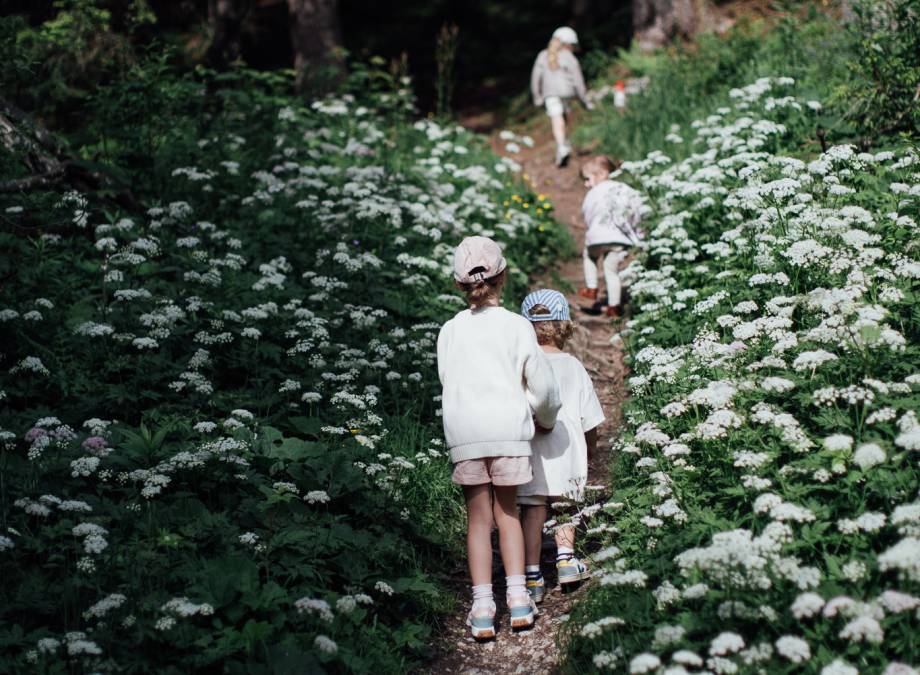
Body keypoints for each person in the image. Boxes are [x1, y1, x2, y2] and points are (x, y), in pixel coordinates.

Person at [437, 236, 562, 639]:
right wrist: (543, 417)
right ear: (503, 277)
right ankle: (519, 600)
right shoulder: (517, 326)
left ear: (459, 285)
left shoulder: (449, 331)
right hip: (508, 431)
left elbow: (447, 379)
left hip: (466, 433)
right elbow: (541, 386)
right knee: (508, 515)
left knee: (477, 521)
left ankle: (483, 606)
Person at [517, 288, 605, 603]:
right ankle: (566, 560)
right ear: (564, 325)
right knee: (565, 506)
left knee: (532, 507)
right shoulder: (574, 366)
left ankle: (531, 574)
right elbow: (590, 419)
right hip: (567, 447)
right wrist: (591, 446)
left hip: (532, 449)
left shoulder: (523, 368)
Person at [578, 155, 648, 318]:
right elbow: (638, 211)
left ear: (602, 174)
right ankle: (614, 308)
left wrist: (593, 227)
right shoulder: (625, 189)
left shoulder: (593, 192)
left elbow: (587, 213)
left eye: (587, 179)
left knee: (589, 256)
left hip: (597, 238)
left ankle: (591, 287)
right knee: (611, 271)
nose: (586, 184)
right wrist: (639, 235)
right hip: (619, 239)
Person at [530, 26, 592, 167]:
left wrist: (537, 96)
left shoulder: (542, 55)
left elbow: (535, 78)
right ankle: (565, 143)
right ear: (568, 44)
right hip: (567, 93)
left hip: (550, 93)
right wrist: (584, 100)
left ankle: (561, 145)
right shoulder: (570, 57)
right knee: (563, 116)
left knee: (556, 118)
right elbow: (578, 81)